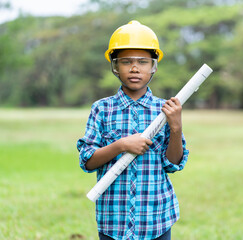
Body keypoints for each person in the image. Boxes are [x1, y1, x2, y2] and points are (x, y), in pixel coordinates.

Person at [77, 20, 189, 240]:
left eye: (143, 62)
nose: (135, 68)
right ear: (115, 67)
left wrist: (176, 128)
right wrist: (121, 145)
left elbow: (173, 164)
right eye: (126, 62)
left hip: (156, 218)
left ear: (153, 66)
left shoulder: (165, 110)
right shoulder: (102, 109)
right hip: (113, 220)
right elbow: (87, 161)